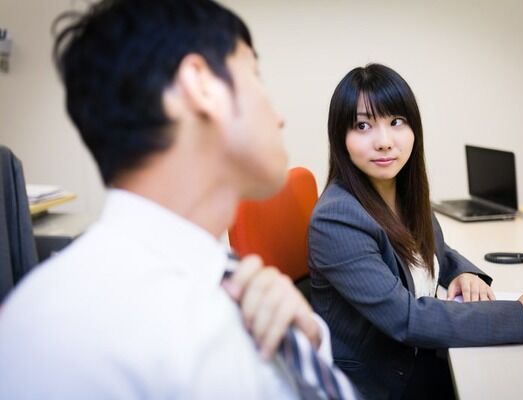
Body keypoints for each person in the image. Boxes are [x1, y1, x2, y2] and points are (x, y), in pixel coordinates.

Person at [0, 1, 335, 398]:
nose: (278, 115)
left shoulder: (232, 281)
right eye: (255, 75)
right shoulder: (59, 333)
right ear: (200, 85)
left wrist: (308, 342)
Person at [308, 63, 523, 400]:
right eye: (363, 125)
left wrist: (464, 273)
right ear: (340, 137)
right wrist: (522, 316)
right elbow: (405, 318)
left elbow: (437, 251)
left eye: (396, 122)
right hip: (378, 382)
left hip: (414, 358)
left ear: (413, 128)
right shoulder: (338, 218)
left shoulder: (399, 190)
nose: (384, 142)